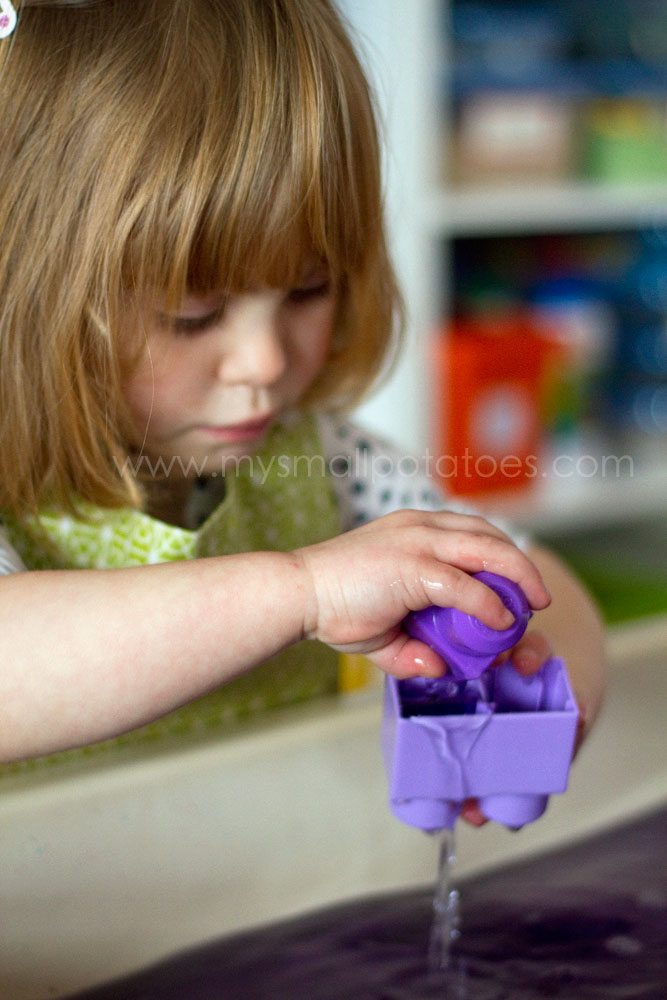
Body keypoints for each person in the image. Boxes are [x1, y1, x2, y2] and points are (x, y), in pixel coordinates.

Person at [0, 0, 604, 805]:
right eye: (193, 314)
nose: (265, 360)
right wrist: (302, 592)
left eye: (308, 289)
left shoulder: (320, 458)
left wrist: (539, 690)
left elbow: (522, 571)